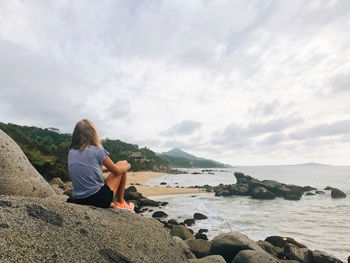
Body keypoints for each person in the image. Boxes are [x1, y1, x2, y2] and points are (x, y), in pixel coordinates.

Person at [68, 119, 134, 211]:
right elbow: (117, 171)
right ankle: (121, 202)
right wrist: (128, 166)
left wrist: (108, 168)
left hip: (79, 199)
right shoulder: (97, 150)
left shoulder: (71, 152)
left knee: (118, 165)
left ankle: (118, 202)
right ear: (93, 133)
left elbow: (89, 169)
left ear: (75, 135)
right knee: (122, 164)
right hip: (98, 199)